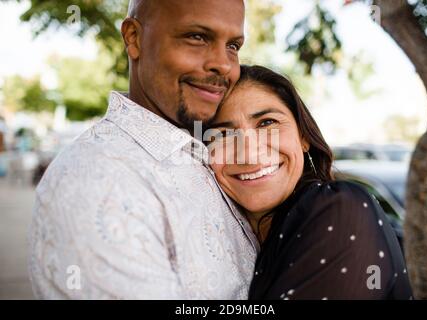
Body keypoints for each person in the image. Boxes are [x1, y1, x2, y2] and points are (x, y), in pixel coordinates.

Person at [28, 0, 259, 299]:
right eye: (197, 37)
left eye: (233, 46)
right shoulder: (96, 183)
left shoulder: (211, 153)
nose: (224, 65)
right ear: (134, 38)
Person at [208, 65, 414, 300]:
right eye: (222, 135)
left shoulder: (340, 209)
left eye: (267, 123)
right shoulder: (231, 240)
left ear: (303, 137)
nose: (249, 153)